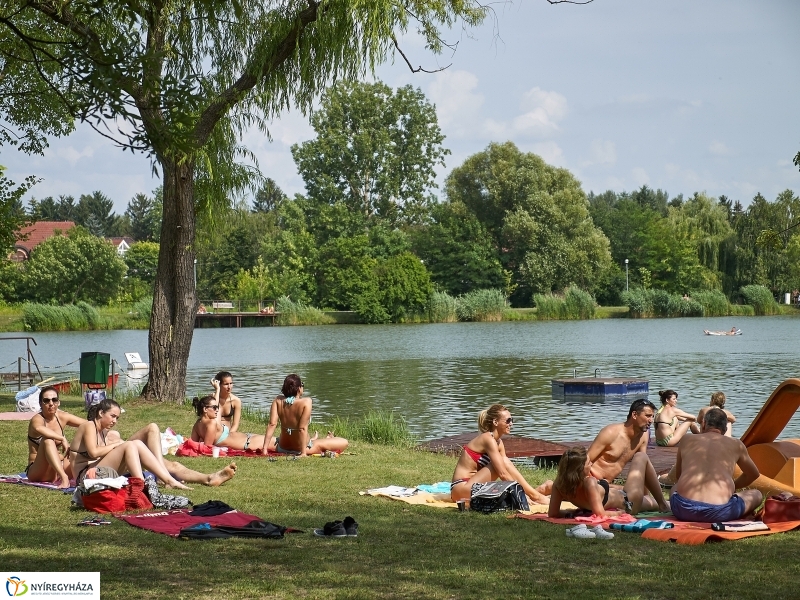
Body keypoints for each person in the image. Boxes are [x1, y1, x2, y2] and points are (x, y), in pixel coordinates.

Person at [72, 398, 236, 489]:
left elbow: (107, 449)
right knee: (131, 445)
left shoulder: (106, 432)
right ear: (101, 413)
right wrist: (117, 445)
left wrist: (117, 443)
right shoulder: (89, 426)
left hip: (104, 468)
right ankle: (157, 482)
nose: (115, 421)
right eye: (112, 416)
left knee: (153, 429)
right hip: (87, 476)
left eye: (117, 418)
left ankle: (208, 478)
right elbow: (93, 453)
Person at [670, 408, 762, 522]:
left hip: (683, 510)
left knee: (675, 487)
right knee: (757, 494)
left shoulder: (687, 439)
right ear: (725, 429)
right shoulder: (736, 444)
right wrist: (732, 487)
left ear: (703, 424)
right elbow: (753, 474)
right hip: (719, 513)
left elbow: (679, 476)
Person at [451, 404, 552, 505]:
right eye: (508, 420)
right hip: (461, 489)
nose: (511, 424)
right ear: (495, 422)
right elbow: (502, 473)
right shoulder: (487, 439)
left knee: (505, 461)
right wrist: (519, 494)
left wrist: (520, 492)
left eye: (512, 420)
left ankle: (535, 493)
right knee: (503, 462)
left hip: (476, 486)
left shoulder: (499, 443)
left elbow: (508, 469)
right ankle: (536, 495)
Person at [586, 398, 669, 512]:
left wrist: (645, 495)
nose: (651, 420)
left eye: (652, 416)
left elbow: (643, 469)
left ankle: (660, 503)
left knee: (645, 499)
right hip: (591, 481)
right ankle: (662, 504)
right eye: (648, 416)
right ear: (634, 415)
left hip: (606, 486)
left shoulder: (643, 437)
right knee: (641, 459)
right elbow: (585, 460)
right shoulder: (611, 432)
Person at [548, 446, 667, 517]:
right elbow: (600, 514)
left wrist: (573, 513)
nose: (591, 464)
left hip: (625, 496)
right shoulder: (589, 483)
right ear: (580, 469)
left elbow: (553, 513)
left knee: (655, 499)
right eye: (588, 463)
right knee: (641, 456)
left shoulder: (559, 485)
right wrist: (619, 514)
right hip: (629, 502)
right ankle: (663, 504)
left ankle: (660, 501)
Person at [261, 374, 349, 456]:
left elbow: (272, 424)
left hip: (282, 448)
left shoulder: (278, 400)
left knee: (314, 440)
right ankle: (326, 439)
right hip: (302, 448)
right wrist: (303, 453)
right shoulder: (306, 402)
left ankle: (320, 439)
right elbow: (302, 429)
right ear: (299, 388)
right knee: (344, 442)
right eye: (302, 384)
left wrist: (265, 449)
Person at [25, 386, 85, 488]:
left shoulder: (62, 416)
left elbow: (88, 425)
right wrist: (62, 438)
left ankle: (97, 473)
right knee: (47, 440)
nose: (51, 403)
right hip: (39, 471)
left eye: (54, 400)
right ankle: (64, 478)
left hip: (59, 468)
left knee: (82, 439)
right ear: (40, 403)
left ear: (58, 402)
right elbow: (39, 429)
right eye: (46, 400)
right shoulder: (37, 419)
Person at [191, 395, 267, 451]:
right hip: (248, 443)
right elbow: (206, 448)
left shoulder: (197, 424)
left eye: (217, 407)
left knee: (277, 442)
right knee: (277, 445)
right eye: (214, 407)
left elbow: (193, 444)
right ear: (205, 409)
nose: (217, 410)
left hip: (248, 438)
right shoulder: (211, 423)